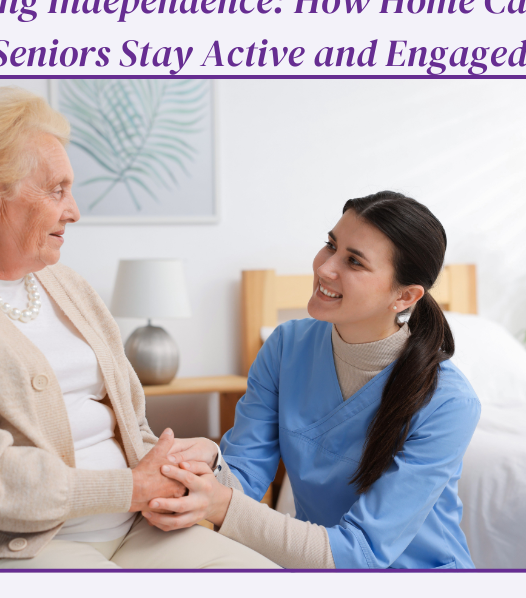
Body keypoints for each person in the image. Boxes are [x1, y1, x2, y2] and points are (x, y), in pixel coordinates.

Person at [0, 87, 277, 570]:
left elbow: (132, 427)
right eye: (57, 190)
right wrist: (130, 487)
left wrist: (181, 467)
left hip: (138, 527)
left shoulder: (69, 286)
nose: (74, 210)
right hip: (22, 546)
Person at [146, 192, 482, 569]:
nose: (325, 268)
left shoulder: (449, 404)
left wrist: (221, 504)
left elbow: (361, 554)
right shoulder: (286, 347)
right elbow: (245, 473)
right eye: (331, 245)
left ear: (405, 296)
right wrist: (210, 466)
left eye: (354, 261)